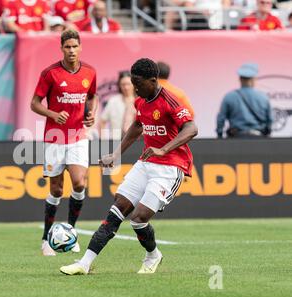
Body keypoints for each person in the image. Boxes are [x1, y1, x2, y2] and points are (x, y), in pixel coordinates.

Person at [60, 58, 198, 275]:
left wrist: (164, 149)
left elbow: (191, 128)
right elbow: (137, 125)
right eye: (133, 83)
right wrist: (116, 154)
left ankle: (153, 255)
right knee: (117, 209)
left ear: (153, 80)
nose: (135, 88)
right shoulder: (141, 101)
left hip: (170, 167)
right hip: (146, 163)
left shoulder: (171, 101)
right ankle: (84, 264)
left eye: (138, 83)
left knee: (139, 218)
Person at [31, 30, 98, 256]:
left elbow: (92, 96)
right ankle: (46, 239)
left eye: (74, 46)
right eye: (67, 47)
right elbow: (34, 103)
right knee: (57, 189)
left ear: (80, 47)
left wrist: (92, 113)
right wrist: (52, 114)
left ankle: (71, 231)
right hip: (55, 138)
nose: (71, 50)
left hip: (78, 136)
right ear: (61, 48)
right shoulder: (50, 73)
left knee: (79, 183)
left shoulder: (89, 71)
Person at [216, 63, 272, 138]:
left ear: (240, 79)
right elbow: (270, 121)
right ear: (253, 79)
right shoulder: (263, 97)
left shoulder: (229, 97)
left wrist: (219, 136)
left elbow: (221, 119)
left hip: (235, 139)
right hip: (259, 138)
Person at [100, 71, 136, 140]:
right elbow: (102, 121)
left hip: (134, 142)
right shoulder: (113, 101)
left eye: (128, 84)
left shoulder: (140, 101)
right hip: (116, 141)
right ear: (119, 85)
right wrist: (103, 139)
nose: (126, 87)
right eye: (123, 84)